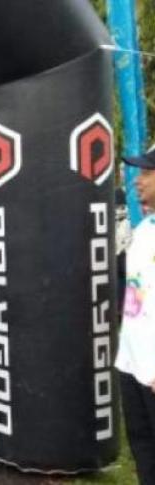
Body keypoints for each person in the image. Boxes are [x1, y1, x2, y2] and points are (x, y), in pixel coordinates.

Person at [116, 148, 155, 484]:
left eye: (147, 172)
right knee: (143, 449)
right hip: (132, 364)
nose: (137, 180)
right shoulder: (145, 230)